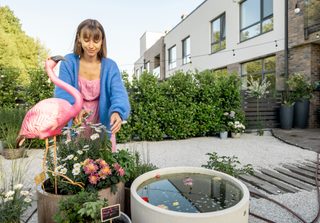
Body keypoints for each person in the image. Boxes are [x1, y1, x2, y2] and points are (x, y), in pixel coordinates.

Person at [54, 19, 130, 151]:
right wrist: (75, 109)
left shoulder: (110, 66)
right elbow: (62, 92)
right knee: (77, 163)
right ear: (79, 38)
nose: (91, 45)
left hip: (103, 120)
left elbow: (118, 92)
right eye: (86, 39)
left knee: (104, 164)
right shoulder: (68, 62)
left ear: (102, 41)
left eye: (96, 41)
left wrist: (118, 111)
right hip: (78, 119)